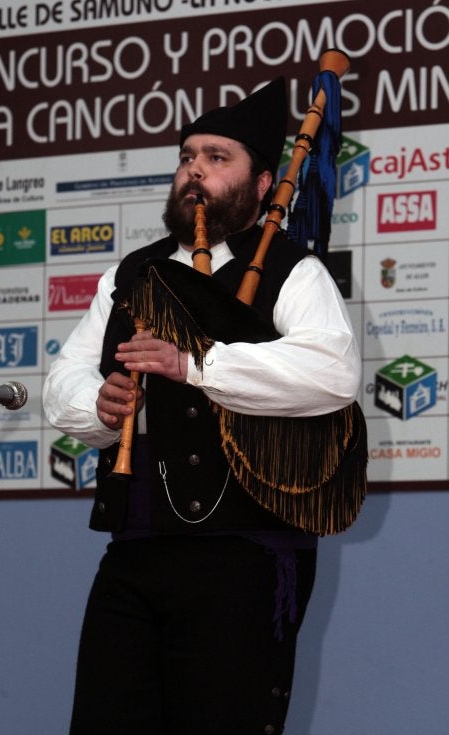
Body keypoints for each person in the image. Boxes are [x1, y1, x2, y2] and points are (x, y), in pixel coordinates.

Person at [43, 76, 362, 735]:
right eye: (189, 156)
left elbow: (332, 372)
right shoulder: (131, 272)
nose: (196, 170)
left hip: (243, 556)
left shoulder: (292, 269)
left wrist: (197, 366)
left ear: (264, 179)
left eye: (218, 158)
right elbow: (64, 379)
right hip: (134, 550)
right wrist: (97, 406)